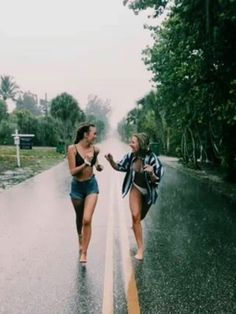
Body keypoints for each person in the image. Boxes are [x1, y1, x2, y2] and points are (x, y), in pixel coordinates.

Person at [105, 133, 163, 261]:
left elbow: (157, 180)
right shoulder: (130, 156)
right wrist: (111, 161)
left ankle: (135, 226)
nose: (130, 144)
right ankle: (140, 249)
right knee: (135, 216)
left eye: (133, 142)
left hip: (148, 192)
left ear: (141, 144)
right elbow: (119, 166)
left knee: (140, 217)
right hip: (136, 188)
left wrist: (152, 174)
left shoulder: (153, 159)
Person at [67, 123, 103, 263]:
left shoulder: (95, 149)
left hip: (91, 186)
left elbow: (95, 162)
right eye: (94, 133)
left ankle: (84, 252)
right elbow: (72, 172)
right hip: (77, 187)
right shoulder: (73, 149)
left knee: (87, 219)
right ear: (85, 134)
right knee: (79, 217)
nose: (96, 136)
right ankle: (80, 238)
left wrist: (97, 165)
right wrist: (85, 163)